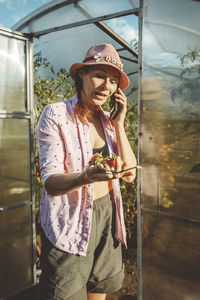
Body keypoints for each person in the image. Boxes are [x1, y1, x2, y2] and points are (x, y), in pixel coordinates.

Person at [36, 43, 137, 300]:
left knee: (98, 289)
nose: (107, 86)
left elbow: (129, 174)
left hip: (107, 213)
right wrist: (85, 177)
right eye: (100, 76)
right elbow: (50, 182)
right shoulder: (57, 114)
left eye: (113, 80)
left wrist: (119, 124)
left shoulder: (107, 121)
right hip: (70, 218)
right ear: (82, 74)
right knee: (66, 291)